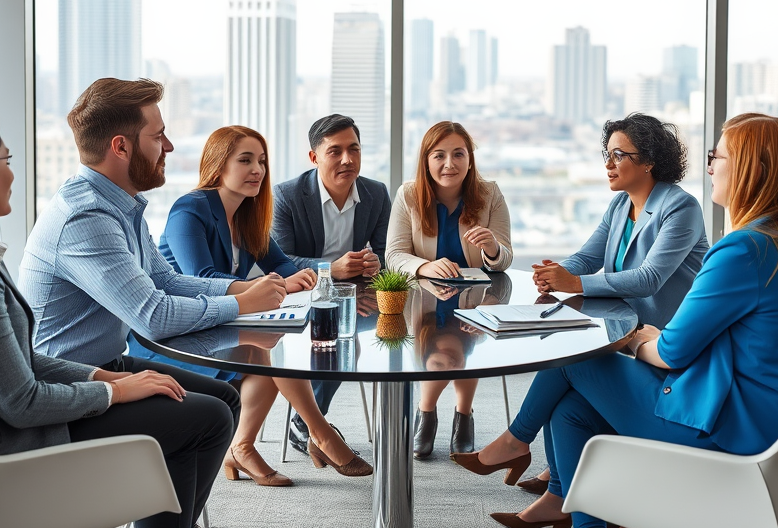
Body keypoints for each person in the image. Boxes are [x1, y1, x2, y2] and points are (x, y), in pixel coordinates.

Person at [454, 113, 778, 528]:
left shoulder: (742, 249)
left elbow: (672, 348)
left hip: (730, 428)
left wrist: (638, 339)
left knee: (575, 355)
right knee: (572, 408)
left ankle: (517, 442)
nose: (711, 166)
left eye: (718, 157)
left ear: (753, 170)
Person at [0, 110, 232, 528]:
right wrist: (112, 391)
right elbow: (21, 402)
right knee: (202, 416)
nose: (13, 172)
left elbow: (20, 358)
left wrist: (105, 378)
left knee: (205, 406)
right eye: (6, 159)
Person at [19, 78, 284, 528]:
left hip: (106, 361)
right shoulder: (86, 217)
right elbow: (153, 314)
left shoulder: (123, 203)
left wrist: (237, 289)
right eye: (158, 135)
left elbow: (165, 280)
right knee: (203, 417)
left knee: (222, 396)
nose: (170, 146)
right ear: (121, 146)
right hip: (65, 391)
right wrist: (242, 304)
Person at [139, 125, 372, 486]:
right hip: (174, 331)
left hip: (220, 322)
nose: (257, 170)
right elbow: (201, 277)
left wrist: (299, 277)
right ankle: (319, 433)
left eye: (261, 161)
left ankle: (243, 446)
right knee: (265, 346)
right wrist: (268, 286)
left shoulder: (248, 213)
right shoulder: (191, 209)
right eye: (245, 160)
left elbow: (284, 268)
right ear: (218, 165)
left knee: (267, 344)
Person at [519, 113, 710, 494]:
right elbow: (587, 257)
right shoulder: (621, 206)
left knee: (569, 364)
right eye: (606, 154)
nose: (608, 165)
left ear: (649, 160)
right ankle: (558, 482)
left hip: (662, 347)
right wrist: (555, 273)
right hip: (624, 333)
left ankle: (523, 450)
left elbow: (648, 278)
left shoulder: (680, 208)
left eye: (619, 155)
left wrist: (573, 282)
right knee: (567, 386)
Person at [385, 121, 512, 458]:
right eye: (438, 155)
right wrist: (425, 266)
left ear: (470, 160)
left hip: (477, 300)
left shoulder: (489, 194)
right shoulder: (408, 195)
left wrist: (492, 248)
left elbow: (504, 259)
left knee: (463, 343)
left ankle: (463, 414)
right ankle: (427, 411)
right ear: (426, 161)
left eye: (459, 154)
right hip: (425, 300)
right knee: (439, 350)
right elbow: (394, 255)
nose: (449, 164)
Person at [272, 114, 391, 453]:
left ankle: (306, 421)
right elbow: (281, 261)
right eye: (335, 151)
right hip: (302, 294)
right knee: (341, 337)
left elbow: (386, 252)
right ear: (314, 157)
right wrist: (330, 268)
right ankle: (310, 422)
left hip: (356, 295)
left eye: (354, 149)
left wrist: (375, 262)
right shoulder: (287, 195)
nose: (347, 160)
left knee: (359, 332)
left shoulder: (376, 193)